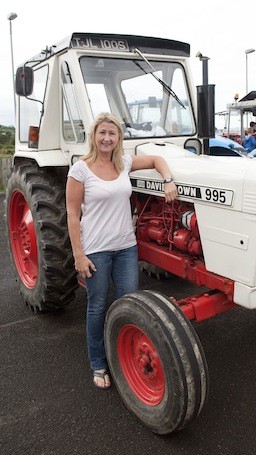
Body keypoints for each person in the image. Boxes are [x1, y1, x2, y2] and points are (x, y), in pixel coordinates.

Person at [66, 112, 178, 390]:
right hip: (96, 250)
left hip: (126, 247)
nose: (106, 138)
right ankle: (98, 362)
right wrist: (78, 255)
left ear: (119, 138)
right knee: (98, 306)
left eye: (112, 133)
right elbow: (71, 214)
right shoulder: (80, 169)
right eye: (102, 133)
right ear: (94, 136)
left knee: (129, 305)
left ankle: (122, 357)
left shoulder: (123, 163)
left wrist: (168, 179)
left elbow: (156, 159)